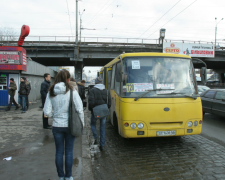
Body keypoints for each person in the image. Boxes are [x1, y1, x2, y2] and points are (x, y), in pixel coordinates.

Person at [43, 70, 84, 180]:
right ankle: (69, 176)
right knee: (69, 151)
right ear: (68, 79)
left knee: (59, 152)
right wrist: (82, 123)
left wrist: (54, 115)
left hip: (57, 126)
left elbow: (46, 111)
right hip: (70, 126)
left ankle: (61, 176)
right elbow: (80, 109)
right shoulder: (72, 91)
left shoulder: (51, 91)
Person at [88, 77, 111, 151]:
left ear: (96, 82)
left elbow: (91, 102)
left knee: (92, 124)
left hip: (95, 111)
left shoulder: (93, 90)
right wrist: (106, 108)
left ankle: (96, 136)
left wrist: (91, 110)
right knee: (102, 128)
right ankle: (102, 145)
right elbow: (109, 103)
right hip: (104, 112)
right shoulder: (107, 91)